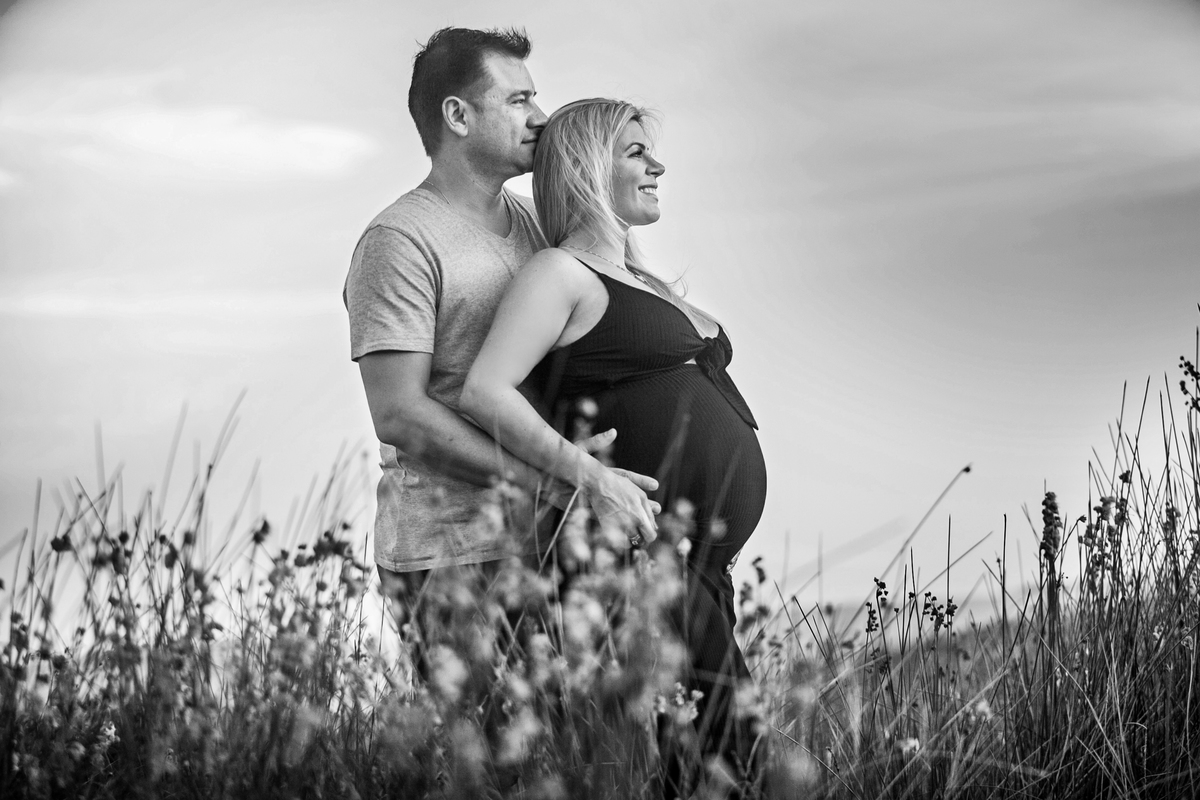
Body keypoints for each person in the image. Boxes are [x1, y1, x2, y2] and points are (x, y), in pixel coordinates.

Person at [460, 99, 768, 797]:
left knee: (697, 757)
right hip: (642, 557)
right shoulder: (559, 275)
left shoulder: (639, 277)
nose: (657, 165)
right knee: (731, 750)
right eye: (635, 152)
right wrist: (594, 479)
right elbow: (485, 390)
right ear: (586, 167)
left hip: (697, 565)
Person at [343, 31, 659, 645]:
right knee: (484, 741)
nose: (540, 118)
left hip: (557, 537)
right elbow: (401, 415)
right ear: (457, 115)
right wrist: (562, 479)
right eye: (519, 101)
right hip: (453, 556)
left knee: (582, 740)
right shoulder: (399, 242)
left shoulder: (542, 225)